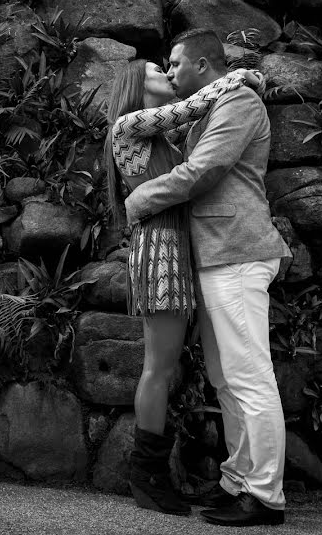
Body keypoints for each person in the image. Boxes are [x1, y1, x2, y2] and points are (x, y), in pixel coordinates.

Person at [123, 28, 292, 527]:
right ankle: (237, 479)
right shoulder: (210, 107)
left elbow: (204, 170)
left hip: (236, 251)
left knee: (248, 376)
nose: (170, 72)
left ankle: (264, 495)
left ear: (201, 64)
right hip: (217, 256)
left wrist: (139, 201)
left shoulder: (237, 101)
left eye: (174, 64)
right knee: (225, 378)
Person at [104, 59, 264, 518]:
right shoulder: (128, 126)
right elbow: (193, 106)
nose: (167, 74)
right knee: (159, 367)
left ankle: (156, 475)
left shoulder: (158, 139)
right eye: (158, 68)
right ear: (138, 82)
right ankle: (147, 477)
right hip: (159, 252)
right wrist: (237, 76)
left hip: (178, 250)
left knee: (168, 367)